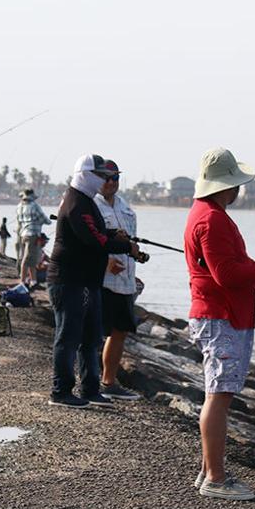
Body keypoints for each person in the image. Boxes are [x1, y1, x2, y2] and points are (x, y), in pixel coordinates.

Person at [185, 147, 255, 501]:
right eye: (236, 184)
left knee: (216, 393)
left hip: (221, 315)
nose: (239, 190)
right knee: (218, 396)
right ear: (225, 185)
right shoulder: (212, 220)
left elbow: (236, 265)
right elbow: (227, 273)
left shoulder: (207, 214)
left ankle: (208, 471)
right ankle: (216, 479)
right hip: (221, 318)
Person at [46, 155, 139, 409]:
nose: (103, 180)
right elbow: (94, 241)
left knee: (91, 338)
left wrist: (113, 235)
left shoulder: (86, 202)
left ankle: (90, 388)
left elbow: (97, 234)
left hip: (88, 281)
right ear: (84, 175)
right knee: (68, 337)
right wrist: (125, 246)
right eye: (99, 175)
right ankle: (60, 391)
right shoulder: (76, 202)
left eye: (107, 176)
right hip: (68, 280)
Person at [94, 159, 143, 402]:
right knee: (94, 331)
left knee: (120, 331)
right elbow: (85, 243)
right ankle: (89, 381)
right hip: (100, 280)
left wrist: (135, 256)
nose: (111, 182)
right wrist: (105, 263)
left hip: (125, 280)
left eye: (115, 178)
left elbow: (131, 243)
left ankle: (109, 381)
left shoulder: (127, 208)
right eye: (106, 178)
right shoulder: (90, 206)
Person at [16, 189, 51, 287]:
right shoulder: (34, 206)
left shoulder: (19, 206)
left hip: (23, 234)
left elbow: (19, 220)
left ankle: (33, 281)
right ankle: (22, 282)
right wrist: (49, 221)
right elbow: (44, 219)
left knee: (31, 259)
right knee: (27, 259)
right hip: (33, 235)